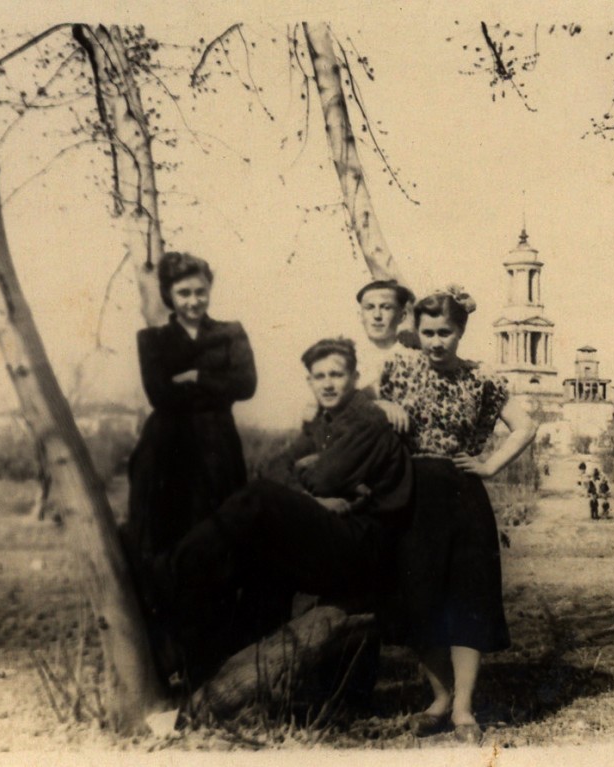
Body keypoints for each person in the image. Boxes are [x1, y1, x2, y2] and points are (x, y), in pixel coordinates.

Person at [157, 338, 413, 689]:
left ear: (355, 378)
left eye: (337, 374)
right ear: (309, 381)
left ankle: (171, 569)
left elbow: (323, 478)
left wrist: (311, 474)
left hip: (365, 545)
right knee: (255, 560)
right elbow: (275, 467)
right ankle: (215, 674)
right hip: (337, 534)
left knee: (260, 498)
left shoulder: (366, 419)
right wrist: (313, 497)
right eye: (319, 376)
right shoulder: (324, 422)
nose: (327, 384)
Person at [378, 287, 536, 743]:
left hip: (464, 498)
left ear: (460, 331)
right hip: (411, 498)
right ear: (417, 332)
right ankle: (440, 698)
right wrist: (384, 404)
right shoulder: (399, 370)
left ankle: (464, 707)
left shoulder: (482, 378)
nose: (435, 342)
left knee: (468, 598)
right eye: (427, 332)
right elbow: (361, 406)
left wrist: (489, 465)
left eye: (444, 332)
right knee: (420, 598)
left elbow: (526, 426)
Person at [122, 251, 257, 686]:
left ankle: (212, 665)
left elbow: (246, 385)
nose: (194, 300)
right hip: (168, 456)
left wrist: (197, 378)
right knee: (167, 545)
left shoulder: (231, 331)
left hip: (218, 453)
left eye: (200, 291)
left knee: (217, 543)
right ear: (168, 295)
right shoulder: (152, 339)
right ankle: (172, 658)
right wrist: (216, 388)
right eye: (184, 293)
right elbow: (159, 394)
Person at [354, 279, 417, 393]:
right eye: (370, 307)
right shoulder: (347, 359)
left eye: (386, 307)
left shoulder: (415, 361)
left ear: (402, 316)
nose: (377, 315)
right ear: (360, 315)